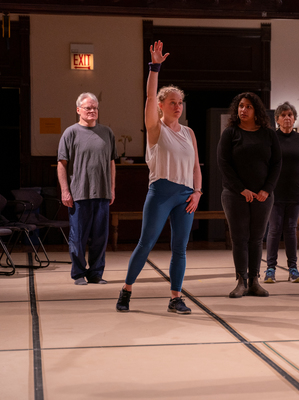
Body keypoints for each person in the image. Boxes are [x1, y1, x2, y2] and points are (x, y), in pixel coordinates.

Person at [115, 41, 202, 314]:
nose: (178, 107)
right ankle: (127, 289)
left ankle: (176, 297)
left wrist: (197, 192)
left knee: (180, 248)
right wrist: (155, 68)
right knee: (146, 243)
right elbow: (150, 98)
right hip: (161, 192)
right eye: (172, 102)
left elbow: (196, 166)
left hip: (186, 196)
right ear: (162, 105)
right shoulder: (155, 129)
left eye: (181, 103)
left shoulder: (189, 133)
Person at [217, 92, 282, 298]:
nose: (243, 110)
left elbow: (276, 164)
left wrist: (266, 189)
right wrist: (241, 189)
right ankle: (241, 281)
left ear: (256, 111)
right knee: (239, 238)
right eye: (241, 106)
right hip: (235, 194)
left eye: (248, 107)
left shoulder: (269, 134)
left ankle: (254, 281)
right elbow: (223, 163)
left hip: (262, 195)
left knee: (256, 239)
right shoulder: (230, 133)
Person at [58, 92, 117, 285]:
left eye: (95, 108)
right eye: (88, 108)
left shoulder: (107, 133)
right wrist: (65, 191)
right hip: (79, 194)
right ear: (78, 110)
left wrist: (112, 188)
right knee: (78, 238)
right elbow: (62, 164)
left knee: (100, 237)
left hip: (102, 192)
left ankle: (96, 273)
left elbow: (111, 163)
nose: (92, 111)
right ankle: (78, 274)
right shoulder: (70, 133)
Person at [264, 102, 299, 284]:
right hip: (275, 192)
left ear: (294, 118)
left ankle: (293, 269)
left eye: (290, 115)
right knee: (275, 229)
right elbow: (266, 167)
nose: (287, 118)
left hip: (296, 191)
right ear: (277, 119)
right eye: (283, 115)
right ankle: (270, 269)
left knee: (291, 230)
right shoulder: (271, 138)